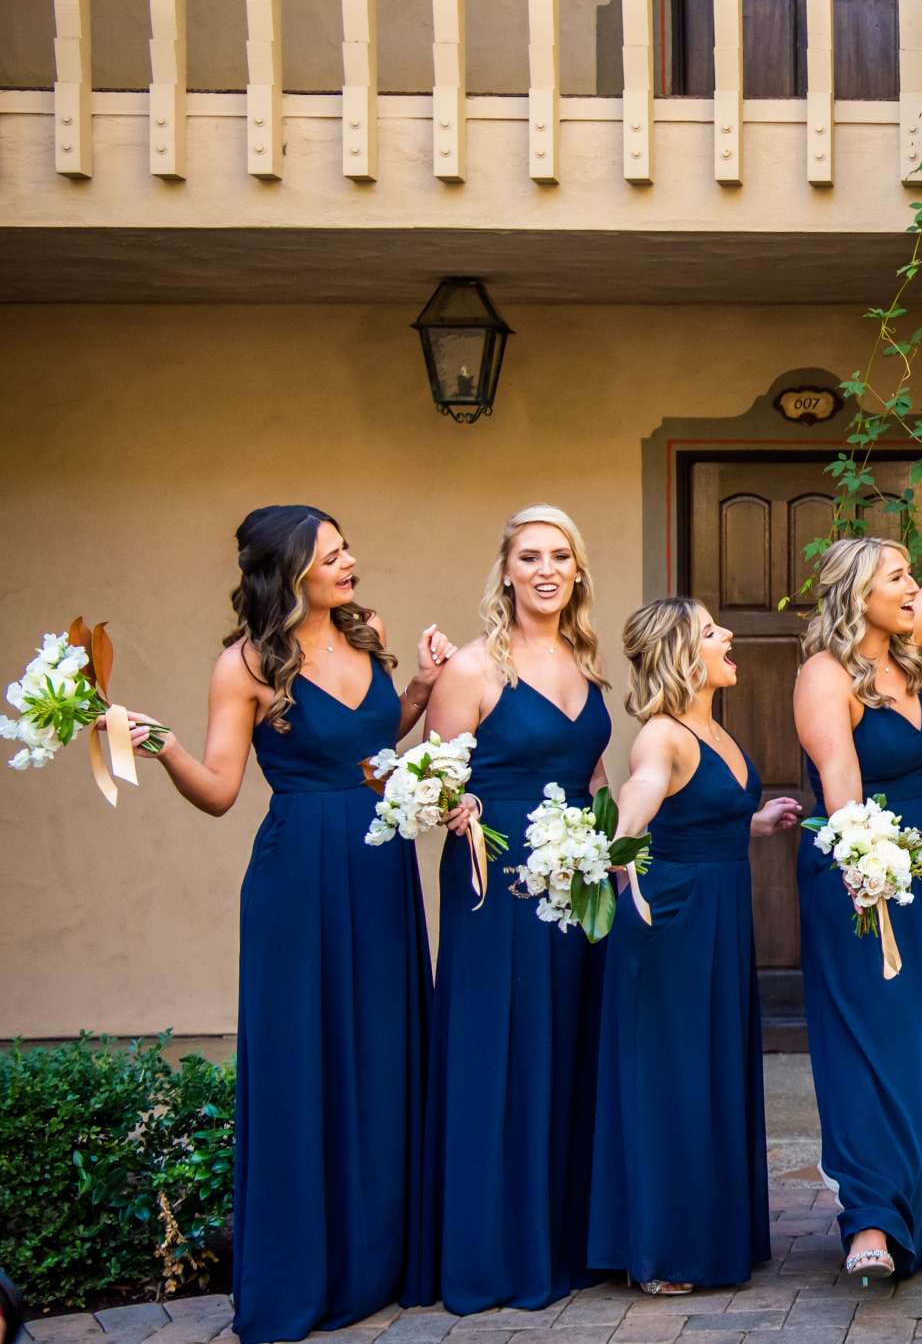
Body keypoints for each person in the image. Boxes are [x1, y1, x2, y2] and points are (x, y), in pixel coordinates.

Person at [124, 505, 452, 1342]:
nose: (350, 563)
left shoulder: (367, 632)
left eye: (347, 549)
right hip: (296, 876)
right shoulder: (245, 664)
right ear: (288, 570)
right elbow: (221, 790)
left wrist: (416, 684)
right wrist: (157, 743)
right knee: (306, 1062)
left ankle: (379, 1262)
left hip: (380, 864)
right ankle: (303, 1273)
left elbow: (379, 746)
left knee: (381, 1053)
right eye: (332, 555)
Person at [790, 453, 922, 1283]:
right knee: (871, 1036)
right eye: (896, 577)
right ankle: (871, 1219)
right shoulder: (824, 675)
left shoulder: (904, 652)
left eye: (911, 575)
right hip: (863, 873)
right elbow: (842, 795)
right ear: (857, 596)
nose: (913, 587)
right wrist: (868, 875)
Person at [421, 505, 613, 1313]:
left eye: (559, 556)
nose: (545, 568)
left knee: (566, 1052)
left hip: (577, 889)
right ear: (505, 570)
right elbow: (430, 787)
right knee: (497, 1057)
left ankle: (564, 1240)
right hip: (495, 890)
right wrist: (452, 806)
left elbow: (597, 780)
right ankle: (491, 1254)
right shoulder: (473, 668)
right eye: (529, 555)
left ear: (576, 572)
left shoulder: (587, 662)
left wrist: (619, 859)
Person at [587, 599, 801, 1294]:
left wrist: (755, 822)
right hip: (672, 924)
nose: (729, 635)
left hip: (719, 913)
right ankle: (666, 1250)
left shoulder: (714, 728)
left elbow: (700, 816)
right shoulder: (662, 735)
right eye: (712, 632)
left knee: (711, 1068)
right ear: (682, 654)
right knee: (672, 1076)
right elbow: (646, 791)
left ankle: (714, 1234)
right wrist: (621, 846)